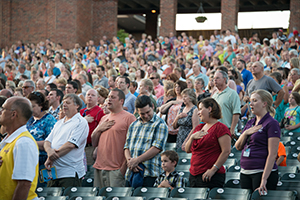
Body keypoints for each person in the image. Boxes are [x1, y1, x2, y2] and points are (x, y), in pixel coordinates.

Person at [235, 89, 280, 193]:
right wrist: (246, 133)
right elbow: (238, 146)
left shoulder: (271, 123)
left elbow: (272, 154)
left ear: (264, 103)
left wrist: (264, 179)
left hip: (261, 172)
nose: (250, 104)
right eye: (250, 101)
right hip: (245, 171)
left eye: (255, 100)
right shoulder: (251, 122)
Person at [92, 88, 136, 188]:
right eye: (108, 97)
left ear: (121, 101)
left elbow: (132, 145)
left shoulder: (129, 118)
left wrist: (123, 168)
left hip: (116, 170)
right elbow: (94, 143)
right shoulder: (104, 118)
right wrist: (98, 129)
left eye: (113, 97)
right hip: (99, 167)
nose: (109, 100)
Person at [184, 97, 231, 188]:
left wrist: (213, 170)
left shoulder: (220, 128)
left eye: (201, 109)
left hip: (210, 176)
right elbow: (187, 149)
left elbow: (226, 151)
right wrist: (192, 137)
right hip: (193, 174)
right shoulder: (199, 127)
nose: (198, 112)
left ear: (209, 109)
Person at [44, 94, 89, 188]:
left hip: (69, 172)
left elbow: (71, 145)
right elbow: (47, 141)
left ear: (77, 106)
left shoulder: (81, 122)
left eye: (68, 103)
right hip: (52, 172)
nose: (64, 105)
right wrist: (49, 151)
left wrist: (51, 157)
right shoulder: (59, 122)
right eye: (63, 103)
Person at [124, 95, 168, 187]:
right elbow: (126, 147)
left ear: (152, 106)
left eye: (148, 112)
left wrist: (136, 160)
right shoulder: (133, 125)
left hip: (150, 173)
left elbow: (157, 148)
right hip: (132, 171)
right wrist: (131, 162)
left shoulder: (160, 124)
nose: (146, 116)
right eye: (142, 114)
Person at [0, 97, 39, 199]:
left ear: (13, 114)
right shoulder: (11, 140)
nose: (0, 112)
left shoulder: (23, 142)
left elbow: (24, 185)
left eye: (3, 109)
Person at [26, 92, 57, 180]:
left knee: (42, 188)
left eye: (33, 106)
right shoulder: (29, 119)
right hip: (29, 159)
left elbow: (52, 142)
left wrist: (31, 143)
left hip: (43, 161)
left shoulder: (49, 120)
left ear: (41, 106)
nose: (30, 109)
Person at [80, 89, 105, 165]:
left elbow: (102, 131)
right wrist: (83, 120)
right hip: (80, 146)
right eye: (88, 95)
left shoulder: (100, 111)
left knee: (90, 173)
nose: (90, 97)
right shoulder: (81, 111)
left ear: (98, 98)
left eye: (93, 95)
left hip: (91, 147)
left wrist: (97, 148)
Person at [212, 70, 241, 136]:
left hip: (227, 130)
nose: (215, 80)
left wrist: (232, 129)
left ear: (224, 79)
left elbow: (236, 112)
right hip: (215, 130)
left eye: (217, 78)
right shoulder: (214, 95)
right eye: (214, 78)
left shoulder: (232, 94)